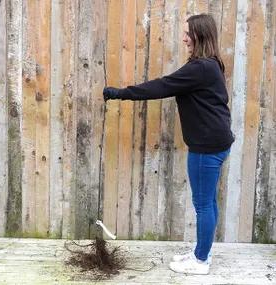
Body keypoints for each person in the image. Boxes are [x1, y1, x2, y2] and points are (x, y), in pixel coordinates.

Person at [103, 14, 234, 275]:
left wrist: (121, 93)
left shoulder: (201, 68)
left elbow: (162, 86)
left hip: (207, 147)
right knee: (209, 202)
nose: (184, 37)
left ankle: (200, 262)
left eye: (188, 33)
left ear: (200, 35)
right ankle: (202, 252)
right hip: (217, 142)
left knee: (203, 204)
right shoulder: (210, 65)